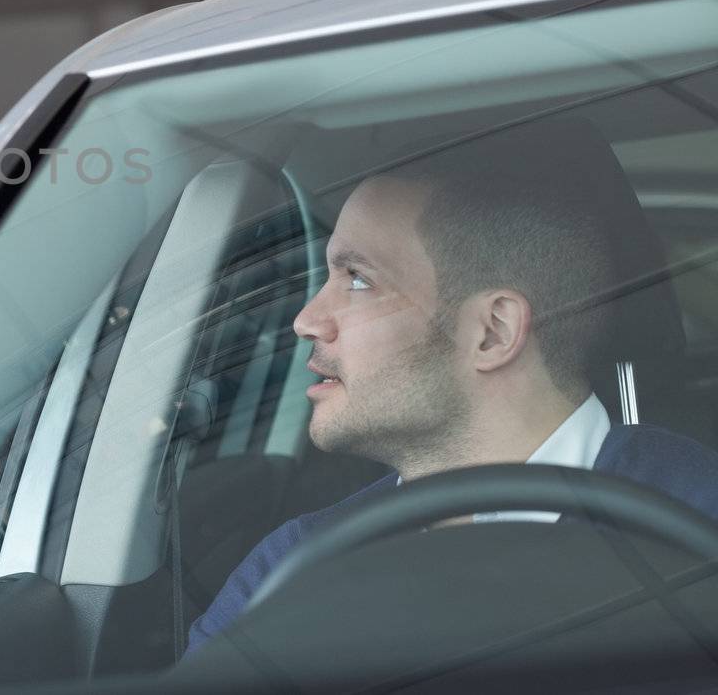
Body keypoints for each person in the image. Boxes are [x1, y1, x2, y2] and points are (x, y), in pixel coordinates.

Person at [186, 117, 718, 652]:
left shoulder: (699, 521)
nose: (306, 319)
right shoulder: (290, 568)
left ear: (492, 332)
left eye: (359, 280)